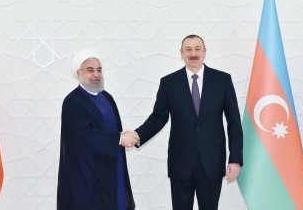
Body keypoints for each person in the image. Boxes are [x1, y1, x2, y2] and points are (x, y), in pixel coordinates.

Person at [128, 34, 243, 210]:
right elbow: (158, 117)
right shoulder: (168, 83)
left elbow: (234, 121)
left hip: (212, 161)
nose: (193, 53)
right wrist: (137, 134)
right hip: (180, 162)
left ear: (205, 52)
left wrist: (235, 159)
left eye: (197, 49)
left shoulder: (223, 80)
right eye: (188, 49)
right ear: (181, 53)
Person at [57, 48, 137, 210]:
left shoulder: (107, 97)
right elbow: (84, 134)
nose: (96, 74)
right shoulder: (72, 102)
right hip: (88, 170)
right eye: (90, 70)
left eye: (99, 70)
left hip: (113, 163)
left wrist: (122, 135)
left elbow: (113, 127)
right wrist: (119, 139)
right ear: (79, 73)